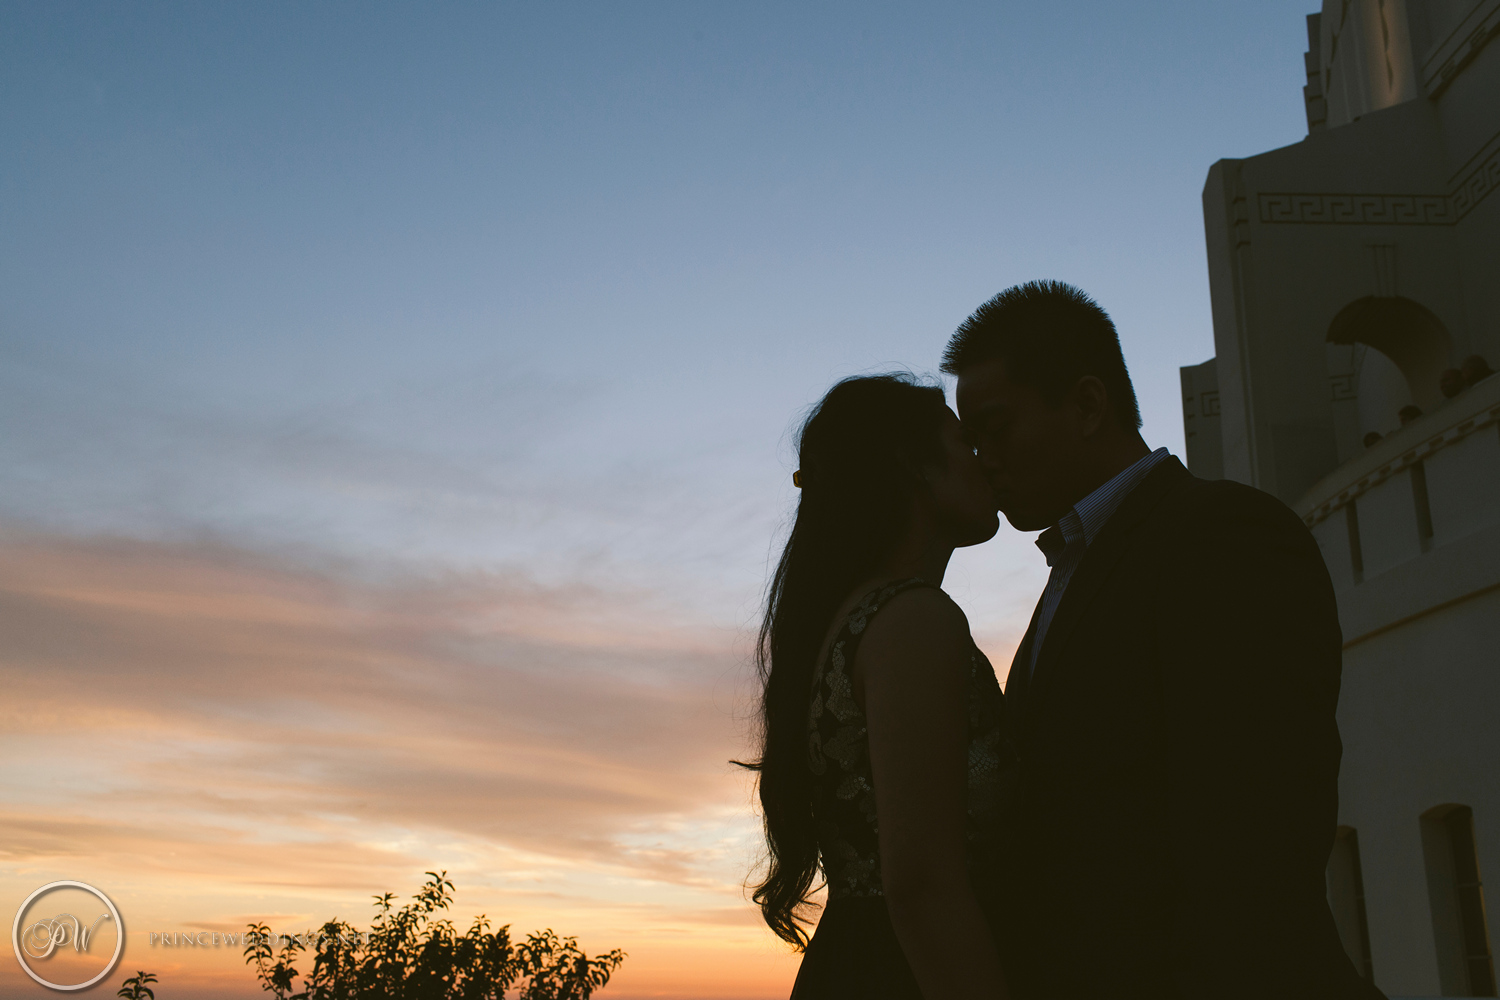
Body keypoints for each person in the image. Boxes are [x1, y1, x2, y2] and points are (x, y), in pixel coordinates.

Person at [944, 280, 1385, 999]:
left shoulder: (1222, 534)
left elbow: (1257, 834)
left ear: (1088, 405)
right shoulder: (1076, 569)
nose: (983, 459)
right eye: (970, 440)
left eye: (996, 428)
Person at [744, 374, 1013, 999]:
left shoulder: (854, 621)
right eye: (963, 442)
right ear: (913, 467)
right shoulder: (915, 621)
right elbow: (923, 886)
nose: (985, 461)